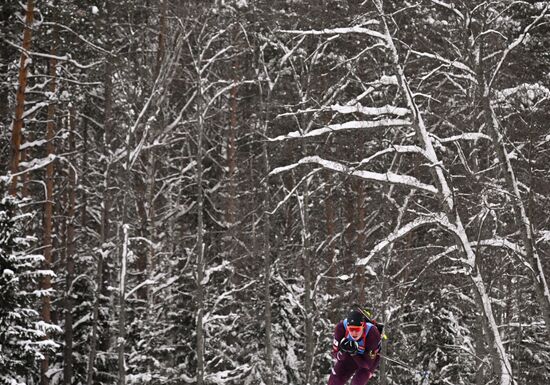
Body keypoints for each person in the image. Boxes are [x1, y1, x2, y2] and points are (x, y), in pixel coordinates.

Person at [328, 308, 382, 385]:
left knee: (357, 382)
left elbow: (367, 365)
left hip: (366, 359)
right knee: (335, 381)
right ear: (347, 327)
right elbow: (335, 354)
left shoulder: (372, 333)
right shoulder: (341, 328)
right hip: (349, 356)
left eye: (357, 329)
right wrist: (342, 351)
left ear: (363, 326)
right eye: (351, 329)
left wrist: (354, 353)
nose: (354, 333)